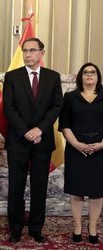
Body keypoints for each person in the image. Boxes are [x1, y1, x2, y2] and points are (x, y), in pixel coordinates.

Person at [3, 38, 63, 243]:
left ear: (41, 53)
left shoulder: (53, 77)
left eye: (32, 51)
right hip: (18, 140)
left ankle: (36, 228)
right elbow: (8, 108)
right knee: (16, 185)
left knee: (40, 185)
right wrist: (26, 131)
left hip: (43, 140)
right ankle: (15, 228)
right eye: (25, 51)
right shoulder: (12, 76)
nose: (28, 54)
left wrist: (39, 129)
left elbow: (56, 107)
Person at [58, 62, 103, 244]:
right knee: (77, 191)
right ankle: (77, 227)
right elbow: (64, 124)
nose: (89, 75)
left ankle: (92, 228)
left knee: (97, 192)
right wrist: (77, 144)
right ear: (80, 77)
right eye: (86, 72)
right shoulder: (70, 97)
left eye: (93, 72)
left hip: (100, 151)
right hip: (76, 150)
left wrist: (100, 145)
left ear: (98, 76)